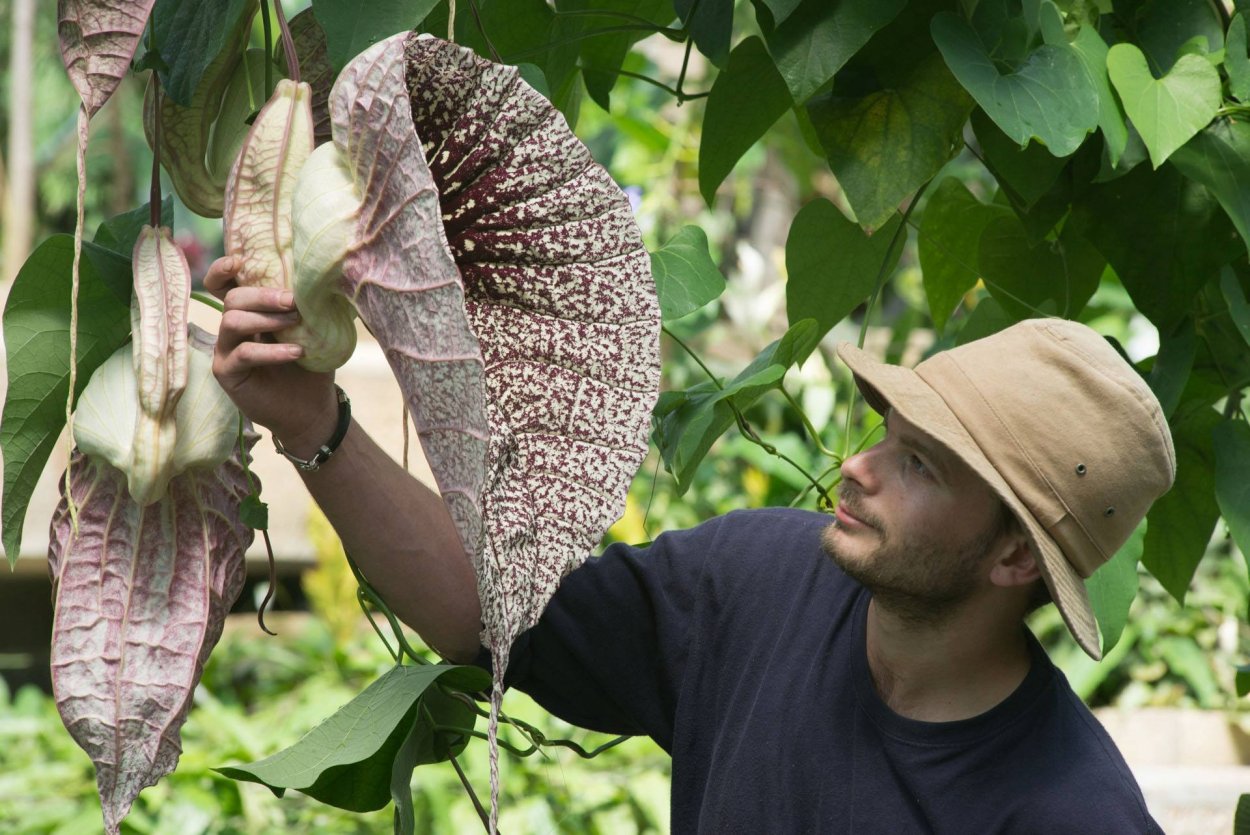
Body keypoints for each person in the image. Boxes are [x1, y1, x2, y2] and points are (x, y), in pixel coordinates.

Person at [206, 256, 1172, 833]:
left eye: (921, 465)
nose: (862, 468)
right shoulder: (756, 583)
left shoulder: (1068, 809)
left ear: (1014, 559)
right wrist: (313, 422)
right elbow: (484, 607)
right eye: (887, 432)